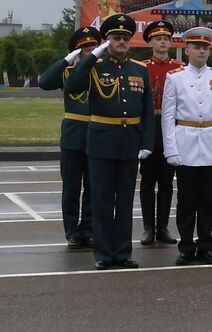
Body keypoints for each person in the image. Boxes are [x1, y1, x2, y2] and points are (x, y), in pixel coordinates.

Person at [64, 14, 154, 270]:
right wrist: (92, 56)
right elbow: (71, 86)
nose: (122, 41)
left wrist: (146, 141)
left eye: (126, 37)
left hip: (129, 143)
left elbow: (147, 110)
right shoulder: (94, 66)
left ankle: (123, 252)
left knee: (125, 201)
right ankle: (103, 253)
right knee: (102, 200)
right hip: (101, 142)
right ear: (107, 41)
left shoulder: (140, 69)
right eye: (116, 38)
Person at [160, 27, 212, 265]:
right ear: (187, 49)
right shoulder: (175, 77)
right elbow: (168, 117)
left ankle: (205, 246)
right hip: (186, 144)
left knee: (210, 200)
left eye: (205, 47)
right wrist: (171, 149)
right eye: (197, 47)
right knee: (187, 200)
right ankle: (186, 246)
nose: (201, 51)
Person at [39, 26, 99, 250]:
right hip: (73, 138)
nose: (89, 50)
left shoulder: (100, 72)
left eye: (93, 46)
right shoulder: (66, 73)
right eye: (84, 48)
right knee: (71, 189)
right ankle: (72, 231)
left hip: (95, 136)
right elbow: (44, 82)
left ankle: (88, 230)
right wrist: (67, 60)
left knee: (93, 188)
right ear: (76, 51)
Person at [138, 19, 180, 247]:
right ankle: (148, 227)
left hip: (171, 126)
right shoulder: (142, 67)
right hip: (149, 126)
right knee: (147, 180)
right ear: (151, 42)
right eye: (158, 39)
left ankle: (163, 226)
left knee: (167, 181)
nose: (162, 42)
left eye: (166, 39)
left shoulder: (178, 68)